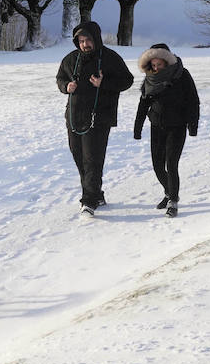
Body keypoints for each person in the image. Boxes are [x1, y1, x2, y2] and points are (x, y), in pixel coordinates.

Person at [55, 20, 134, 216]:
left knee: (92, 159)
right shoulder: (70, 59)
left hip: (99, 117)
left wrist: (103, 83)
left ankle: (89, 201)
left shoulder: (110, 58)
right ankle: (96, 194)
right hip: (74, 116)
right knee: (79, 157)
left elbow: (127, 80)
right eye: (81, 41)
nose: (85, 44)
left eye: (88, 40)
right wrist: (66, 87)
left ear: (96, 39)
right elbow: (60, 78)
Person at [132, 43, 200, 217]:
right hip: (157, 126)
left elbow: (193, 100)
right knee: (157, 166)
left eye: (159, 64)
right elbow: (143, 103)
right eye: (153, 65)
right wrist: (137, 127)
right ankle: (169, 192)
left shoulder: (182, 75)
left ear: (167, 61)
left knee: (171, 164)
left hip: (177, 126)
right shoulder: (150, 78)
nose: (156, 68)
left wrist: (192, 125)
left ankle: (173, 201)